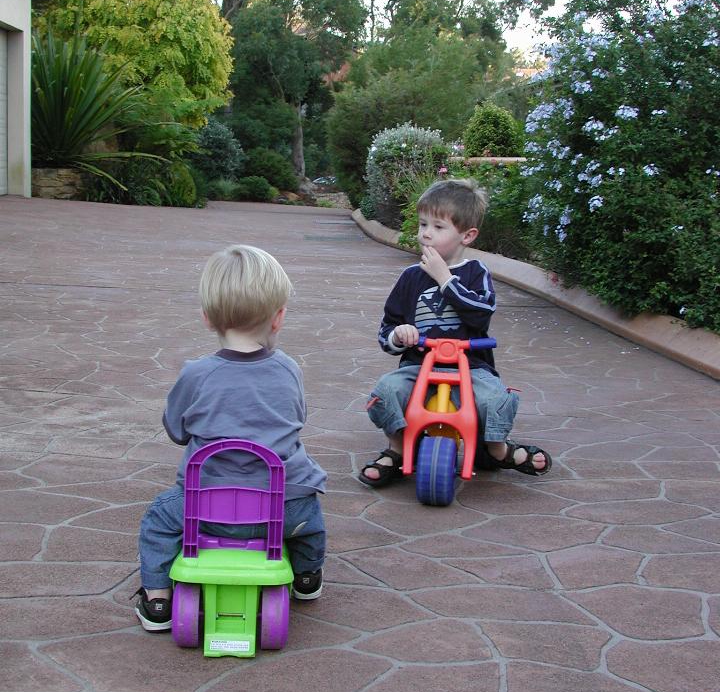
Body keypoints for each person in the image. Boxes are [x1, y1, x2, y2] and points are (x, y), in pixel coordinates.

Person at [134, 244, 327, 632]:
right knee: (313, 520)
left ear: (207, 318)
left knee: (158, 520)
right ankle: (307, 577)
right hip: (282, 511)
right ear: (278, 318)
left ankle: (157, 600)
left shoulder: (197, 374)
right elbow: (297, 420)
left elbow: (176, 430)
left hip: (205, 511)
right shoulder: (289, 370)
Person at [358, 177, 551, 487]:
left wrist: (445, 279)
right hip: (418, 365)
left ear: (467, 235)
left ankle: (497, 449)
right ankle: (398, 448)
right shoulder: (410, 277)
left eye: (438, 226)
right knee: (386, 391)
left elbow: (480, 315)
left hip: (471, 366)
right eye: (423, 224)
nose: (426, 233)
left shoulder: (476, 273)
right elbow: (388, 326)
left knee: (495, 399)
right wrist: (398, 335)